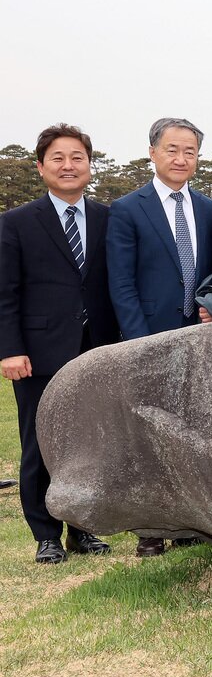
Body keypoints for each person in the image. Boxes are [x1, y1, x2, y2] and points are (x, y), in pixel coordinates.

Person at [0, 124, 121, 563]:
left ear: (90, 165)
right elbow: (5, 293)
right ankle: (45, 533)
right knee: (39, 442)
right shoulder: (15, 223)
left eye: (77, 158)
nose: (68, 166)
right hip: (38, 352)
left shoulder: (111, 218)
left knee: (92, 442)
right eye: (58, 158)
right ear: (40, 167)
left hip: (99, 349)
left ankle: (84, 528)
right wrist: (9, 349)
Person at [107, 117, 212, 557]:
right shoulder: (128, 209)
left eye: (189, 151)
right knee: (147, 435)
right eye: (172, 149)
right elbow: (122, 284)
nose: (181, 158)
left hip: (202, 338)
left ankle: (191, 523)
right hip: (148, 338)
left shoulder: (211, 209)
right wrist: (140, 342)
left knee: (193, 431)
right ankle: (150, 529)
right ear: (153, 152)